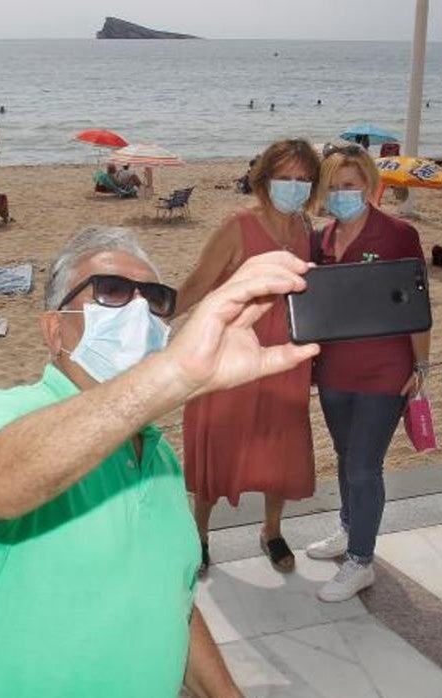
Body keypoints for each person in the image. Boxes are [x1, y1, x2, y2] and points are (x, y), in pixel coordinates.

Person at [0, 226, 316, 696]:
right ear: (54, 329)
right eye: (113, 291)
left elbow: (171, 598)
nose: (139, 309)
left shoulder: (157, 455)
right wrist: (172, 374)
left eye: (157, 298)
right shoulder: (14, 409)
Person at [176, 139, 320, 574]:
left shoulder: (306, 230)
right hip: (231, 354)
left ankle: (271, 531)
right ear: (263, 181)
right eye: (284, 178)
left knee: (280, 443)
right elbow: (197, 285)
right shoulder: (236, 227)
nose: (293, 187)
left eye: (302, 179)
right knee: (219, 444)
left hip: (284, 355)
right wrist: (151, 316)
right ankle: (199, 534)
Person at [304, 145, 430, 601]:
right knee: (343, 456)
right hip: (335, 370)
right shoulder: (321, 239)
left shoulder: (398, 234)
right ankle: (348, 528)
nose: (341, 195)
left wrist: (422, 365)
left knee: (363, 466)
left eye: (350, 186)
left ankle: (361, 561)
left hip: (385, 370)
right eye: (334, 187)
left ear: (370, 188)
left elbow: (417, 304)